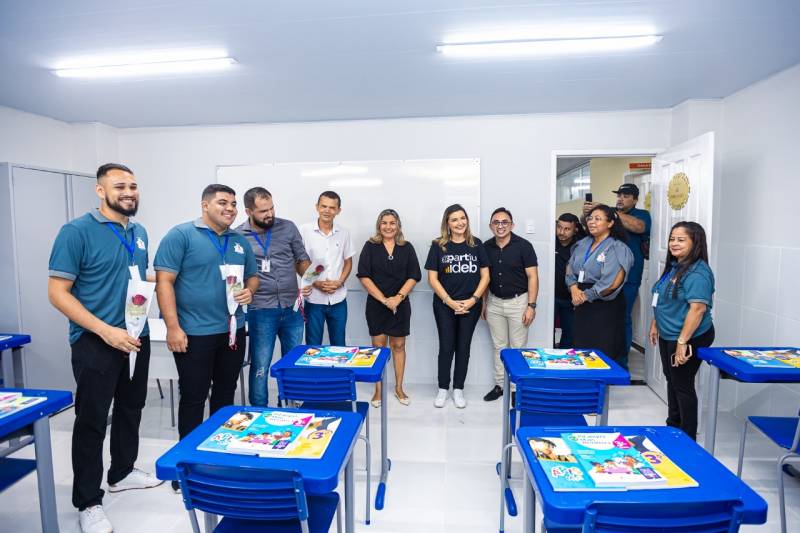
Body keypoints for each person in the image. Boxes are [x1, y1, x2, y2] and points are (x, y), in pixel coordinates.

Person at [48, 163, 162, 533]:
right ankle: (88, 501)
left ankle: (122, 471)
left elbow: (130, 276)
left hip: (136, 335)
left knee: (132, 407)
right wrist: (105, 330)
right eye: (119, 186)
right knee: (92, 420)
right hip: (95, 340)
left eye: (133, 185)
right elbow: (57, 293)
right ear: (100, 191)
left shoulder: (139, 232)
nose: (129, 192)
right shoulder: (76, 232)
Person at [155, 184, 258, 490]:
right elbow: (164, 282)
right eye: (223, 203)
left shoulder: (239, 241)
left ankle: (219, 459)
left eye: (233, 204)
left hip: (232, 331)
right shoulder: (181, 235)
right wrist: (173, 327)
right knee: (193, 397)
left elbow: (252, 276)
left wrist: (250, 291)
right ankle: (186, 467)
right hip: (194, 333)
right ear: (205, 205)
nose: (230, 209)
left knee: (225, 396)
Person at [235, 187, 310, 406]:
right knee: (261, 365)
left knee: (292, 364)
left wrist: (310, 279)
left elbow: (301, 259)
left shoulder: (288, 227)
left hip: (292, 308)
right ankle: (259, 411)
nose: (269, 214)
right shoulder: (238, 236)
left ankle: (289, 406)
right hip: (261, 310)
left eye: (271, 208)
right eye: (263, 211)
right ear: (249, 211)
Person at [648, 221, 714, 441]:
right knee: (672, 380)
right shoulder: (675, 265)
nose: (674, 243)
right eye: (672, 239)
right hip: (670, 333)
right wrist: (656, 322)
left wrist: (682, 342)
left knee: (682, 385)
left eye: (681, 240)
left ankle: (687, 437)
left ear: (695, 243)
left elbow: (697, 309)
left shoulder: (697, 273)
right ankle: (673, 426)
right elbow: (664, 297)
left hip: (690, 336)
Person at [425, 204, 490, 409]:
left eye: (462, 218)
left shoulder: (476, 244)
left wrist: (473, 300)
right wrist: (449, 301)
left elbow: (485, 276)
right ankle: (443, 388)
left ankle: (458, 389)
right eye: (454, 219)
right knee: (446, 346)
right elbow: (432, 278)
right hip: (444, 305)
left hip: (470, 305)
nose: (460, 222)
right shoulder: (438, 245)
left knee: (464, 347)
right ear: (447, 223)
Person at [356, 209, 422, 407]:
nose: (388, 226)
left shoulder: (407, 247)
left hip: (400, 305)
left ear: (398, 225)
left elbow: (414, 275)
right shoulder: (370, 246)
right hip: (377, 305)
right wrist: (385, 300)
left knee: (399, 346)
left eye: (392, 223)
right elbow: (364, 276)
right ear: (379, 225)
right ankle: (378, 390)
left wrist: (397, 298)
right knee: (378, 348)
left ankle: (399, 388)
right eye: (384, 223)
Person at [583, 183, 650, 369]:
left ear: (635, 199)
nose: (620, 199)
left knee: (622, 318)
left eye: (626, 196)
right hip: (603, 277)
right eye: (619, 195)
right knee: (602, 318)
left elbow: (638, 227)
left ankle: (621, 363)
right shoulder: (609, 213)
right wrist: (589, 214)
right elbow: (590, 228)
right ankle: (599, 359)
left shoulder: (642, 215)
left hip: (629, 278)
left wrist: (609, 213)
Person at [481, 207, 539, 402]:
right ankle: (500, 385)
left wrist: (531, 306)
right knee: (498, 347)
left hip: (519, 302)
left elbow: (532, 276)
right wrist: (484, 304)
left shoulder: (524, 246)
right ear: (490, 226)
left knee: (517, 348)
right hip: (494, 303)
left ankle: (515, 389)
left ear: (512, 225)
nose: (500, 226)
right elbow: (484, 278)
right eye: (496, 222)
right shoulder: (486, 247)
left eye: (504, 222)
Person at [566, 204, 633, 365]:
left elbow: (612, 284)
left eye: (597, 219)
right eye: (590, 218)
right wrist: (573, 287)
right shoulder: (583, 243)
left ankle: (603, 381)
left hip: (604, 305)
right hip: (581, 301)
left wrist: (584, 296)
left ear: (610, 223)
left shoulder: (617, 247)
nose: (592, 222)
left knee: (603, 352)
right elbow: (569, 266)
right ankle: (584, 381)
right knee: (582, 349)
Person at [300, 191, 356, 345]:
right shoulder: (304, 230)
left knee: (339, 346)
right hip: (314, 299)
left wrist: (340, 282)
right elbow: (300, 262)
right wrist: (316, 283)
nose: (327, 210)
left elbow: (348, 262)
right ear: (317, 207)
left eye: (332, 207)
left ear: (338, 210)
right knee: (313, 347)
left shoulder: (344, 233)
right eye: (323, 206)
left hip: (338, 299)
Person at [554, 213, 585, 348]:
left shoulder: (581, 246)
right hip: (552, 296)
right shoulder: (551, 242)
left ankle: (563, 357)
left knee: (570, 332)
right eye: (559, 227)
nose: (561, 232)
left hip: (571, 297)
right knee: (547, 330)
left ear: (575, 230)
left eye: (567, 229)